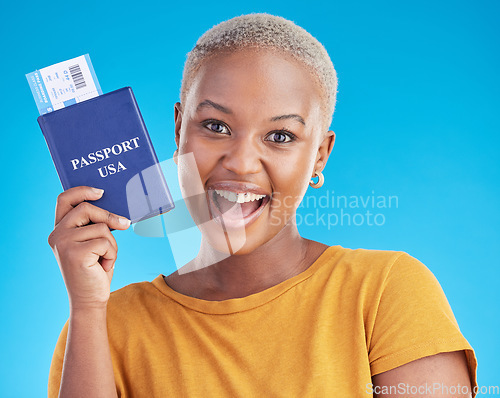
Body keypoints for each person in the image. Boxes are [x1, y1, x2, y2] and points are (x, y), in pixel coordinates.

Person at [47, 13, 477, 398]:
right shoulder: (102, 328)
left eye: (280, 136)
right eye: (216, 126)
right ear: (179, 130)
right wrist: (87, 311)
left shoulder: (384, 291)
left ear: (320, 156)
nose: (241, 162)